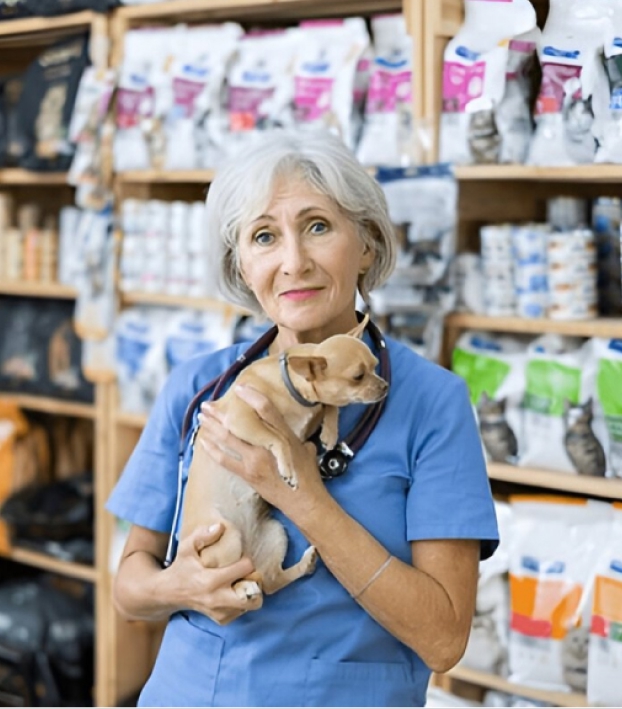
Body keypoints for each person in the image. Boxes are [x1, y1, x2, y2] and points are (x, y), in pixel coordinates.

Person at [106, 129, 499, 707]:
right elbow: (129, 588)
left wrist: (302, 495)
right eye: (264, 237)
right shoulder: (200, 388)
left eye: (318, 226)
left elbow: (443, 639)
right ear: (241, 265)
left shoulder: (431, 404)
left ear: (365, 243)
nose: (294, 262)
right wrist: (178, 585)